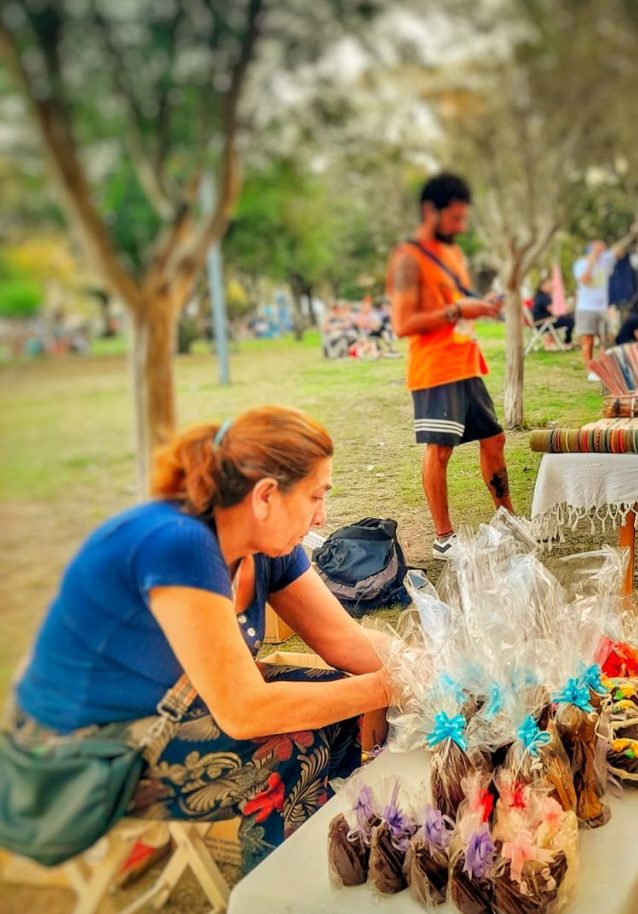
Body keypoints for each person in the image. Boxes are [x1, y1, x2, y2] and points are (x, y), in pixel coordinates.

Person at [6, 406, 392, 873]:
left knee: (338, 707)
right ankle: (283, 887)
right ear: (265, 496)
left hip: (166, 714)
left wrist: (426, 659)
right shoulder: (179, 542)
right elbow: (245, 711)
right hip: (70, 757)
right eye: (314, 496)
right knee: (300, 742)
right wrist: (385, 686)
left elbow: (345, 641)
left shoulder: (263, 546)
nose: (321, 518)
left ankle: (331, 859)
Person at [386, 172, 512, 560]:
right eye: (455, 218)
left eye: (463, 218)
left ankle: (508, 520)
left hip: (466, 362)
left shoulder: (452, 254)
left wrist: (484, 305)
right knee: (439, 451)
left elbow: (457, 299)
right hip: (435, 368)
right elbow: (403, 324)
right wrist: (458, 310)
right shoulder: (408, 259)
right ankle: (444, 538)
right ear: (430, 211)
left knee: (495, 440)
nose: (461, 227)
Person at [574, 232, 635, 378]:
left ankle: (605, 368)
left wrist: (631, 233)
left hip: (602, 308)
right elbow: (585, 280)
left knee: (606, 339)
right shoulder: (580, 264)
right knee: (588, 340)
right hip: (586, 307)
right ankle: (590, 369)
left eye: (602, 249)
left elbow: (618, 249)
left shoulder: (605, 260)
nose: (600, 252)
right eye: (597, 249)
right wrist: (591, 263)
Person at [531, 275, 574, 345]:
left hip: (543, 323)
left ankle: (567, 341)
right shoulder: (543, 297)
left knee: (568, 318)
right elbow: (554, 311)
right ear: (543, 286)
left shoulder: (540, 297)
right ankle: (567, 342)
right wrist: (566, 309)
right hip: (544, 324)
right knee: (570, 320)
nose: (552, 287)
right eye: (550, 286)